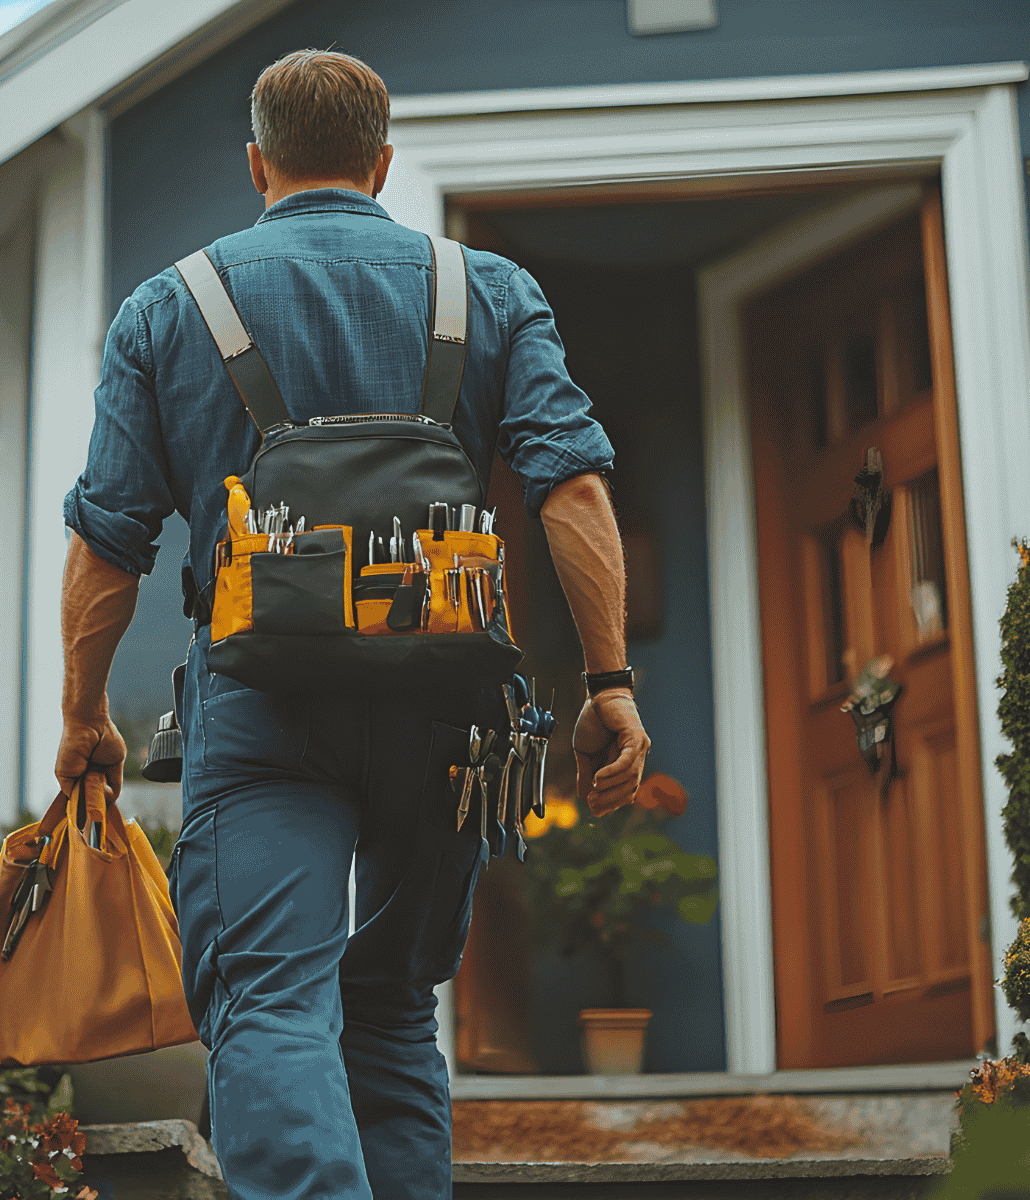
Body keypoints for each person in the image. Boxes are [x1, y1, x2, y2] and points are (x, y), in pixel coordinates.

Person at [56, 48, 650, 1200]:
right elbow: (569, 488)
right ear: (382, 164)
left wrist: (85, 713)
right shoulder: (487, 291)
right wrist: (610, 683)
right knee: (388, 1006)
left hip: (262, 702)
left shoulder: (171, 307)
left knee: (272, 997)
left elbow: (107, 543)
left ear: (255, 162)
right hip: (448, 711)